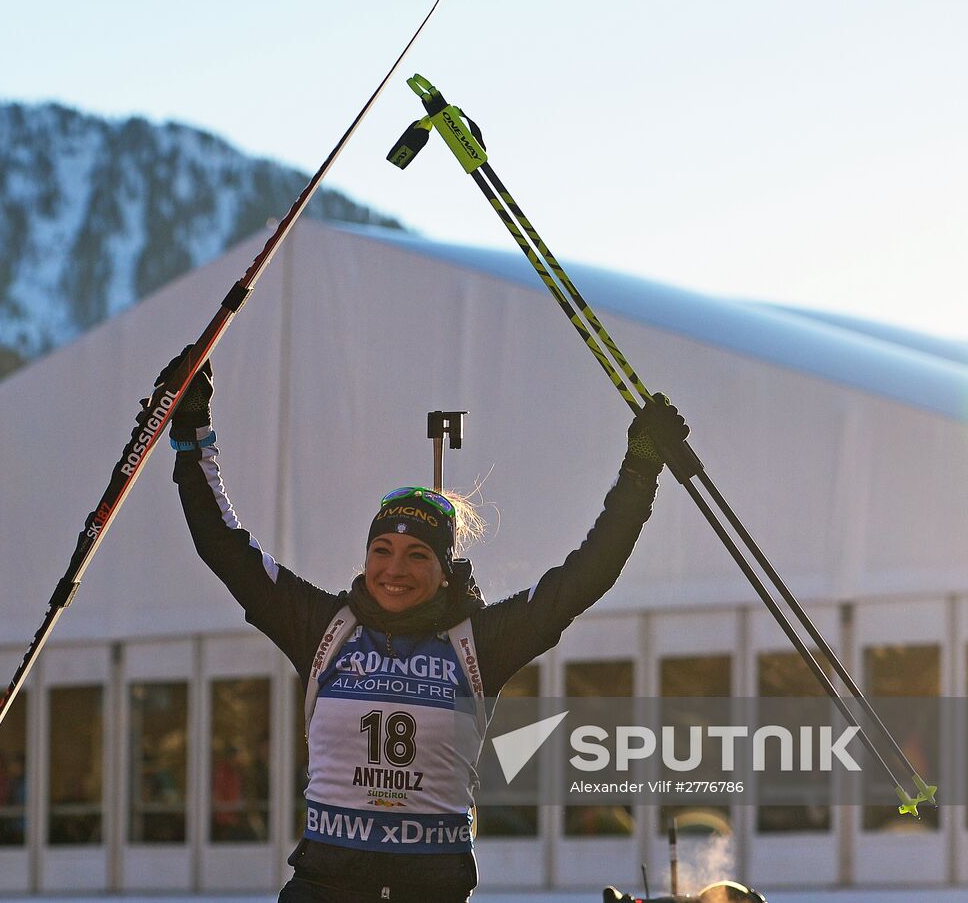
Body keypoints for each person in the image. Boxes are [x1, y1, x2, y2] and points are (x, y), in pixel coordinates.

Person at [160, 348, 687, 902]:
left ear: (443, 573)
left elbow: (586, 575)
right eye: (382, 549)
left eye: (417, 555)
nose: (394, 569)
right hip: (326, 884)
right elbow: (224, 545)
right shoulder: (321, 626)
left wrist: (639, 470)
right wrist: (193, 430)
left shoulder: (478, 641)